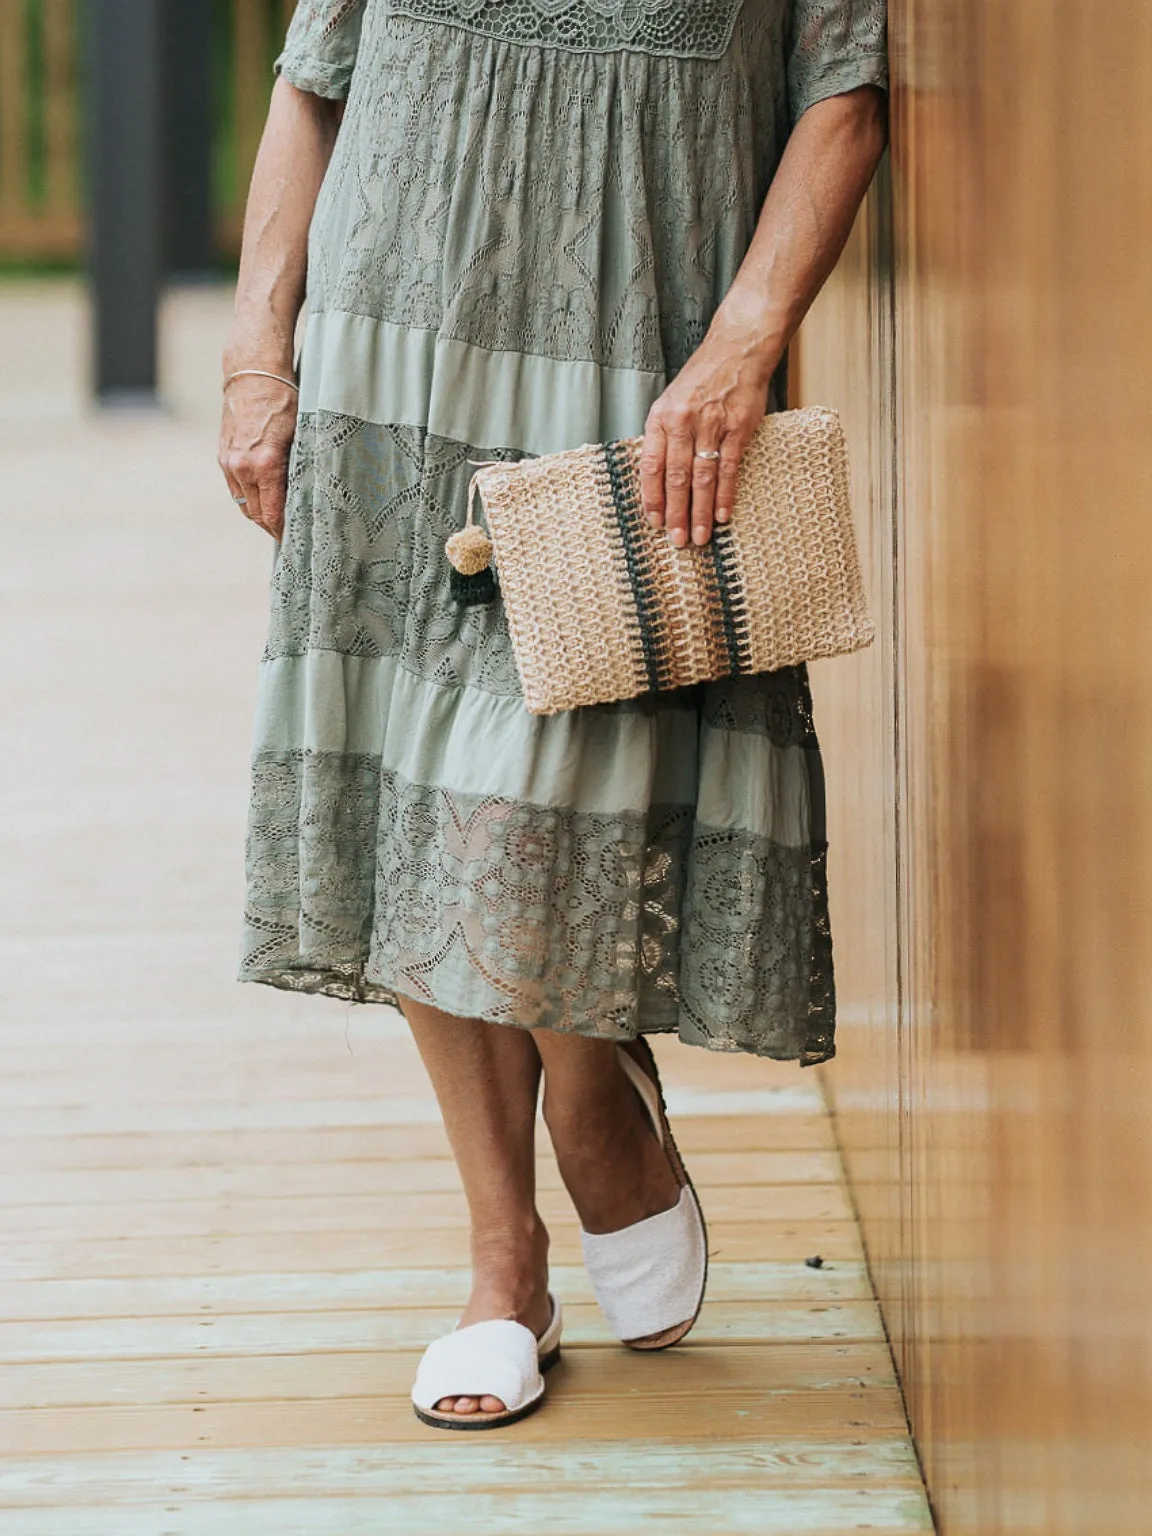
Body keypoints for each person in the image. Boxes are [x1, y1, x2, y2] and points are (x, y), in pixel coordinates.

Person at [220, 0, 887, 1429]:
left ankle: (593, 1089)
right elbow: (316, 73)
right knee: (407, 770)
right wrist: (255, 357)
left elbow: (849, 81)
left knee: (553, 770)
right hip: (393, 337)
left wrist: (747, 339)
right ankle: (501, 1256)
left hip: (631, 337)